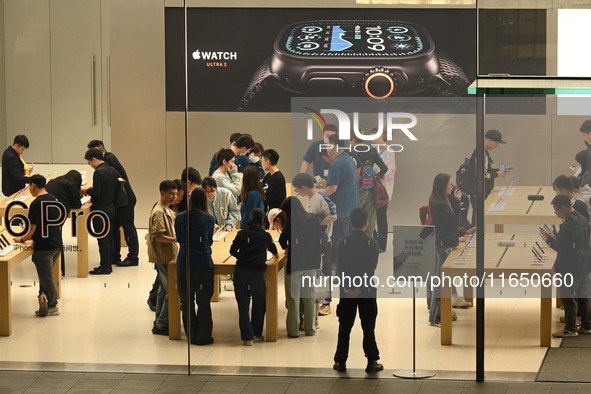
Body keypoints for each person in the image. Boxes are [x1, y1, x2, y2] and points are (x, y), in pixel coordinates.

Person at [332, 207, 382, 374]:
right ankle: (371, 361)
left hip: (346, 292)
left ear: (351, 223)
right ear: (366, 223)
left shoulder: (342, 243)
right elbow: (370, 269)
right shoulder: (372, 244)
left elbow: (340, 269)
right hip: (366, 291)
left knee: (344, 326)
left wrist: (347, 288)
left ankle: (340, 361)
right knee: (368, 326)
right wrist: (360, 288)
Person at [318, 133, 361, 315]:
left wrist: (318, 195)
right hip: (349, 212)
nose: (326, 148)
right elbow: (336, 185)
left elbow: (333, 189)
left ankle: (332, 299)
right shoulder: (347, 159)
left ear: (334, 145)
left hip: (341, 215)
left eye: (328, 145)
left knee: (337, 255)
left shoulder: (336, 163)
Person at [542, 194, 591, 337]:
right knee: (584, 296)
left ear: (563, 207)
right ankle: (587, 325)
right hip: (584, 263)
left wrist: (549, 239)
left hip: (568, 267)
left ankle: (570, 329)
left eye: (556, 210)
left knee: (568, 297)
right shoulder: (582, 219)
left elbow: (562, 248)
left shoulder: (567, 225)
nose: (556, 213)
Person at [13, 175, 63, 317]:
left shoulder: (36, 204)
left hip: (44, 247)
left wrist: (21, 239)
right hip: (56, 244)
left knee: (46, 278)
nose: (29, 190)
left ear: (33, 185)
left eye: (29, 187)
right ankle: (44, 301)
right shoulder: (54, 199)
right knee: (45, 276)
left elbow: (32, 229)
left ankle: (52, 306)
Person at [428, 174, 474, 327]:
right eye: (449, 185)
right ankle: (436, 317)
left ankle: (440, 313)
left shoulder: (439, 201)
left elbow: (447, 224)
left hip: (444, 242)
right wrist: (457, 203)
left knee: (441, 282)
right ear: (442, 186)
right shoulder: (440, 204)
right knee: (440, 283)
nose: (451, 187)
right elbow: (454, 221)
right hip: (443, 245)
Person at [292, 173, 337, 323]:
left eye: (298, 189)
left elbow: (333, 215)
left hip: (323, 241)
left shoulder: (321, 198)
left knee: (324, 271)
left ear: (303, 187)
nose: (298, 192)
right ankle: (318, 301)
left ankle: (326, 303)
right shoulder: (311, 199)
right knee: (317, 272)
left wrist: (316, 225)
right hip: (314, 240)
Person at [230, 208, 278, 345]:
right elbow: (273, 249)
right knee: (259, 302)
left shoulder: (242, 233)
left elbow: (232, 251)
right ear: (263, 221)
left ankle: (247, 337)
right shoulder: (265, 236)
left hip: (241, 271)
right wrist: (274, 255)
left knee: (243, 305)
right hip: (257, 272)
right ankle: (256, 332)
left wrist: (242, 257)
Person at [87, 140, 139, 268]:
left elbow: (109, 183)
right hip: (120, 199)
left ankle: (133, 257)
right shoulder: (109, 158)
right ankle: (115, 256)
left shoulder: (108, 160)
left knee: (128, 228)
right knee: (115, 228)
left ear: (102, 151)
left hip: (125, 199)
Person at [174, 188, 215, 346]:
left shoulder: (180, 217)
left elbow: (179, 238)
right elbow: (209, 241)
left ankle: (191, 334)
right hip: (203, 262)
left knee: (186, 300)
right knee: (204, 301)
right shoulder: (209, 219)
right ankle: (204, 336)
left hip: (184, 261)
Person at [279, 197, 323, 338]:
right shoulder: (314, 219)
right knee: (309, 298)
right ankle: (310, 329)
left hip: (295, 265)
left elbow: (281, 240)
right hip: (310, 264)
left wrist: (287, 248)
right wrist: (317, 264)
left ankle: (293, 331)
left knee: (293, 300)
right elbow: (319, 242)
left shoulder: (292, 223)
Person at [147, 180, 179, 336]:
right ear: (162, 193)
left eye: (175, 194)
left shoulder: (167, 210)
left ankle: (159, 321)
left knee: (162, 291)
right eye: (171, 194)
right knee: (171, 290)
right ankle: (162, 323)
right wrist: (176, 239)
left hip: (168, 255)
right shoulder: (159, 212)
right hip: (163, 257)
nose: (174, 197)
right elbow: (158, 236)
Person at [81, 149, 120, 275]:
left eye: (89, 162)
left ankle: (105, 267)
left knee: (102, 239)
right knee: (109, 238)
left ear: (94, 159)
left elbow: (97, 193)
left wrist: (87, 190)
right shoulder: (112, 170)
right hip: (111, 208)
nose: (90, 165)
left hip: (100, 210)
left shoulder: (98, 173)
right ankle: (109, 263)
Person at [349, 132, 388, 237]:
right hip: (371, 189)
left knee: (355, 216)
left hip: (355, 189)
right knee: (370, 218)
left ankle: (355, 242)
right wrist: (377, 176)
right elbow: (384, 168)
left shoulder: (349, 151)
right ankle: (368, 242)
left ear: (352, 139)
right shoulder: (372, 151)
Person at [45, 170, 83, 276]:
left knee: (47, 236)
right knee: (57, 239)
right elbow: (77, 205)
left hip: (44, 210)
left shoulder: (53, 181)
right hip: (59, 212)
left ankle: (48, 269)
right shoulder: (73, 184)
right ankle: (59, 270)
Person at [468, 129, 507, 223]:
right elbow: (483, 174)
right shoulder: (481, 153)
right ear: (488, 140)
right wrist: (497, 174)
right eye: (496, 143)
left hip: (481, 190)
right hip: (478, 191)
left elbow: (485, 170)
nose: (496, 146)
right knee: (478, 219)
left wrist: (496, 171)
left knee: (479, 217)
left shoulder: (484, 151)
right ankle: (476, 237)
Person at [371, 128, 396, 252]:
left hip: (383, 187)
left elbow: (389, 169)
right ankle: (375, 239)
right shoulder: (373, 149)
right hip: (372, 185)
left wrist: (375, 171)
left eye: (374, 135)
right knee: (371, 215)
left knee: (381, 216)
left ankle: (382, 244)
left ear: (383, 136)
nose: (372, 138)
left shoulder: (389, 151)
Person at [240, 167, 265, 231]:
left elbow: (248, 215)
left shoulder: (252, 195)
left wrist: (241, 229)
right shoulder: (257, 192)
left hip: (250, 231)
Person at [261, 149, 286, 213]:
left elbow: (269, 198)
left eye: (262, 161)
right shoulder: (268, 176)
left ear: (267, 162)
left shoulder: (278, 178)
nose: (261, 164)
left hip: (275, 213)